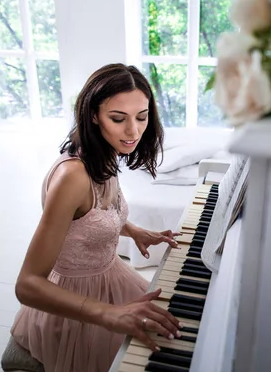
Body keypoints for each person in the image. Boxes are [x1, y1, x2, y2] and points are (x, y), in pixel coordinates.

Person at [10, 63, 183, 372]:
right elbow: (26, 285)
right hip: (77, 301)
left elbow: (93, 214)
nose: (133, 131)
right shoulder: (72, 178)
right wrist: (108, 314)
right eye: (118, 119)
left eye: (141, 117)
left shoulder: (103, 153)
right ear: (93, 115)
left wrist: (133, 230)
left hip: (110, 275)